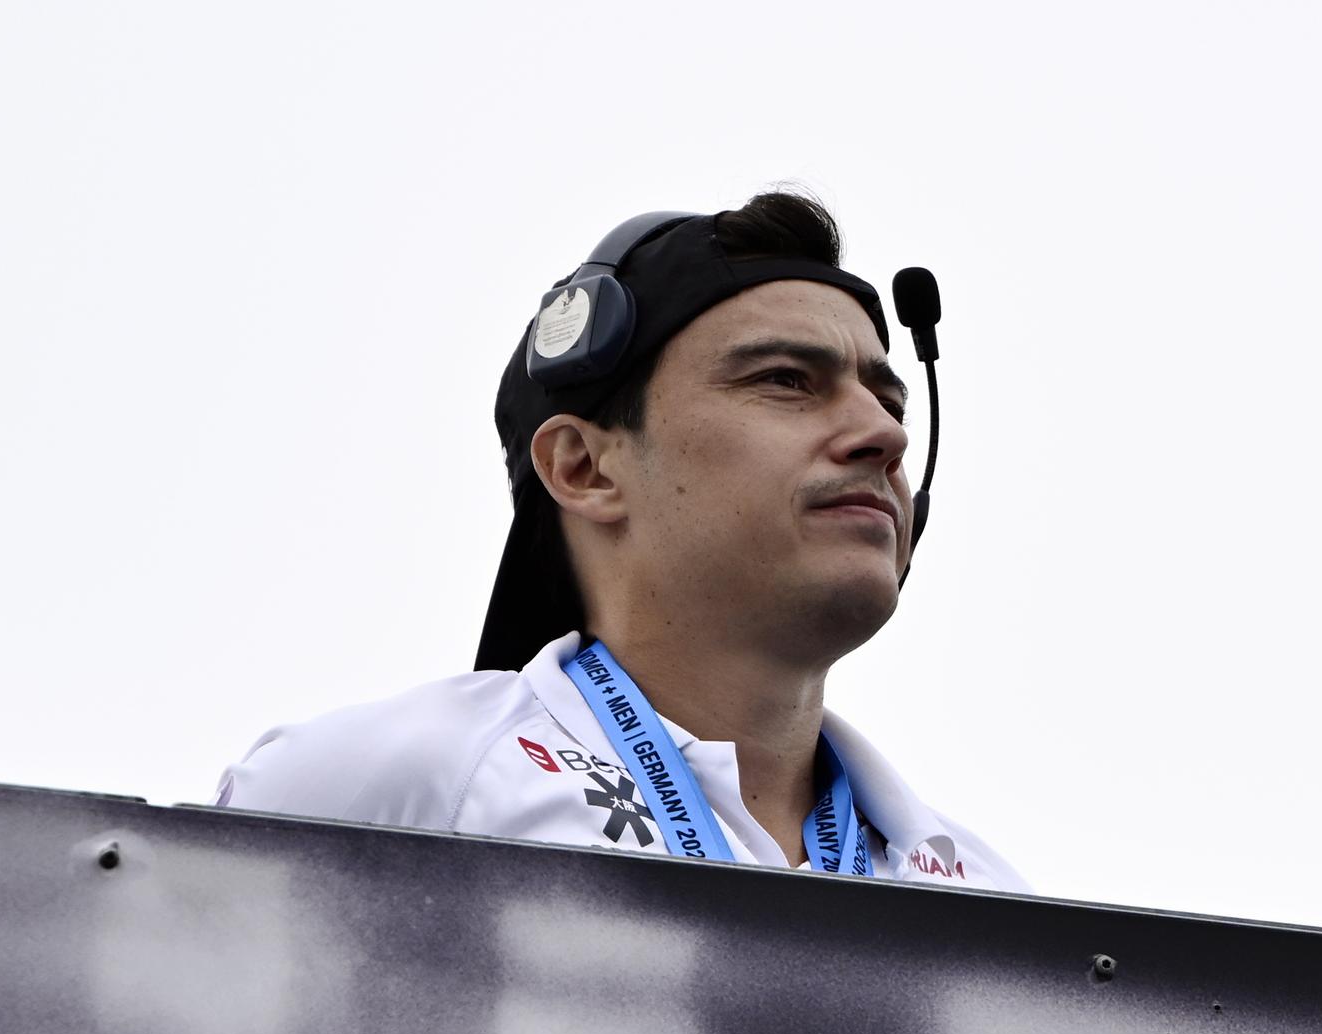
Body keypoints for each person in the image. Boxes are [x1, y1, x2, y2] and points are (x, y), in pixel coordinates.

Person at [215, 192, 1029, 892]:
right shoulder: (396, 785)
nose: (882, 435)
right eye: (785, 379)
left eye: (891, 401)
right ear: (584, 468)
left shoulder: (998, 904)